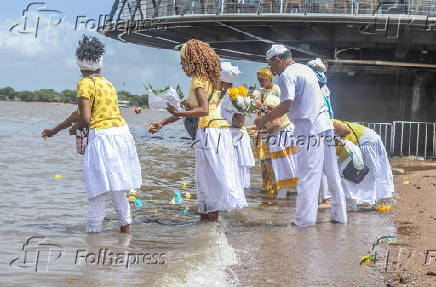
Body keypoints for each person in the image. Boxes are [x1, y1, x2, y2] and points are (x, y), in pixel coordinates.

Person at [148, 39, 246, 222]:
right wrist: (163, 122)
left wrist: (178, 110)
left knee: (207, 181)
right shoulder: (211, 80)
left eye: (183, 61)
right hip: (219, 131)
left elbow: (202, 110)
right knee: (214, 180)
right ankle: (211, 228)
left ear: (193, 60)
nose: (182, 66)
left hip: (209, 132)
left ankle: (208, 226)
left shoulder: (197, 81)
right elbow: (197, 108)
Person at [255, 44, 347, 226]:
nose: (271, 70)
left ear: (278, 61)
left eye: (270, 65)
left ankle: (304, 221)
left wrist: (263, 119)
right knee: (332, 173)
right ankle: (340, 216)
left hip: (309, 128)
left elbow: (286, 105)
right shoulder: (305, 69)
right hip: (325, 125)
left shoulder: (286, 75)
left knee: (307, 174)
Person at [69, 35, 142, 233]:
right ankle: (125, 239)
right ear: (100, 62)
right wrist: (58, 128)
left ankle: (92, 244)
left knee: (97, 191)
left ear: (80, 63)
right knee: (119, 190)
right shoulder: (108, 84)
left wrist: (74, 128)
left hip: (102, 138)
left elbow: (84, 117)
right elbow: (81, 113)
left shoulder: (84, 84)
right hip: (122, 134)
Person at [253, 67, 298, 199]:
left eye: (263, 80)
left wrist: (263, 127)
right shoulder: (260, 92)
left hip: (278, 128)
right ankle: (267, 186)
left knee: (279, 160)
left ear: (269, 79)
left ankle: (280, 187)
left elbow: (280, 112)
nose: (261, 83)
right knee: (265, 159)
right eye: (259, 80)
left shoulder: (276, 91)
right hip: (270, 127)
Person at [332, 120, 394, 210]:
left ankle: (372, 203)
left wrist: (336, 141)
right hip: (354, 145)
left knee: (365, 176)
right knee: (347, 176)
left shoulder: (327, 122)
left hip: (364, 141)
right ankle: (364, 203)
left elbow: (346, 130)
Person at [219, 62, 255, 190]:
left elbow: (240, 122)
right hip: (225, 138)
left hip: (235, 139)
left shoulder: (234, 96)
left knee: (235, 178)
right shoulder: (219, 97)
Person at [307, 58, 333, 208]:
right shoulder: (324, 86)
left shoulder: (316, 86)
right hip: (325, 126)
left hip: (317, 127)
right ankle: (323, 198)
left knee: (319, 164)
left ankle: (325, 199)